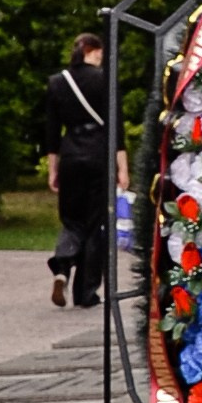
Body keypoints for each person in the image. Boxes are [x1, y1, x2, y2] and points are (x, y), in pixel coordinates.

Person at [39, 32, 121, 311]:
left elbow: (51, 132)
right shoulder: (105, 80)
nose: (101, 58)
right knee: (94, 225)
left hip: (71, 156)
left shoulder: (57, 82)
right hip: (99, 155)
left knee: (71, 220)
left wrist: (53, 169)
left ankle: (62, 266)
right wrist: (122, 167)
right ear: (90, 51)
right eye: (99, 52)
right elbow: (116, 128)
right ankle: (86, 293)